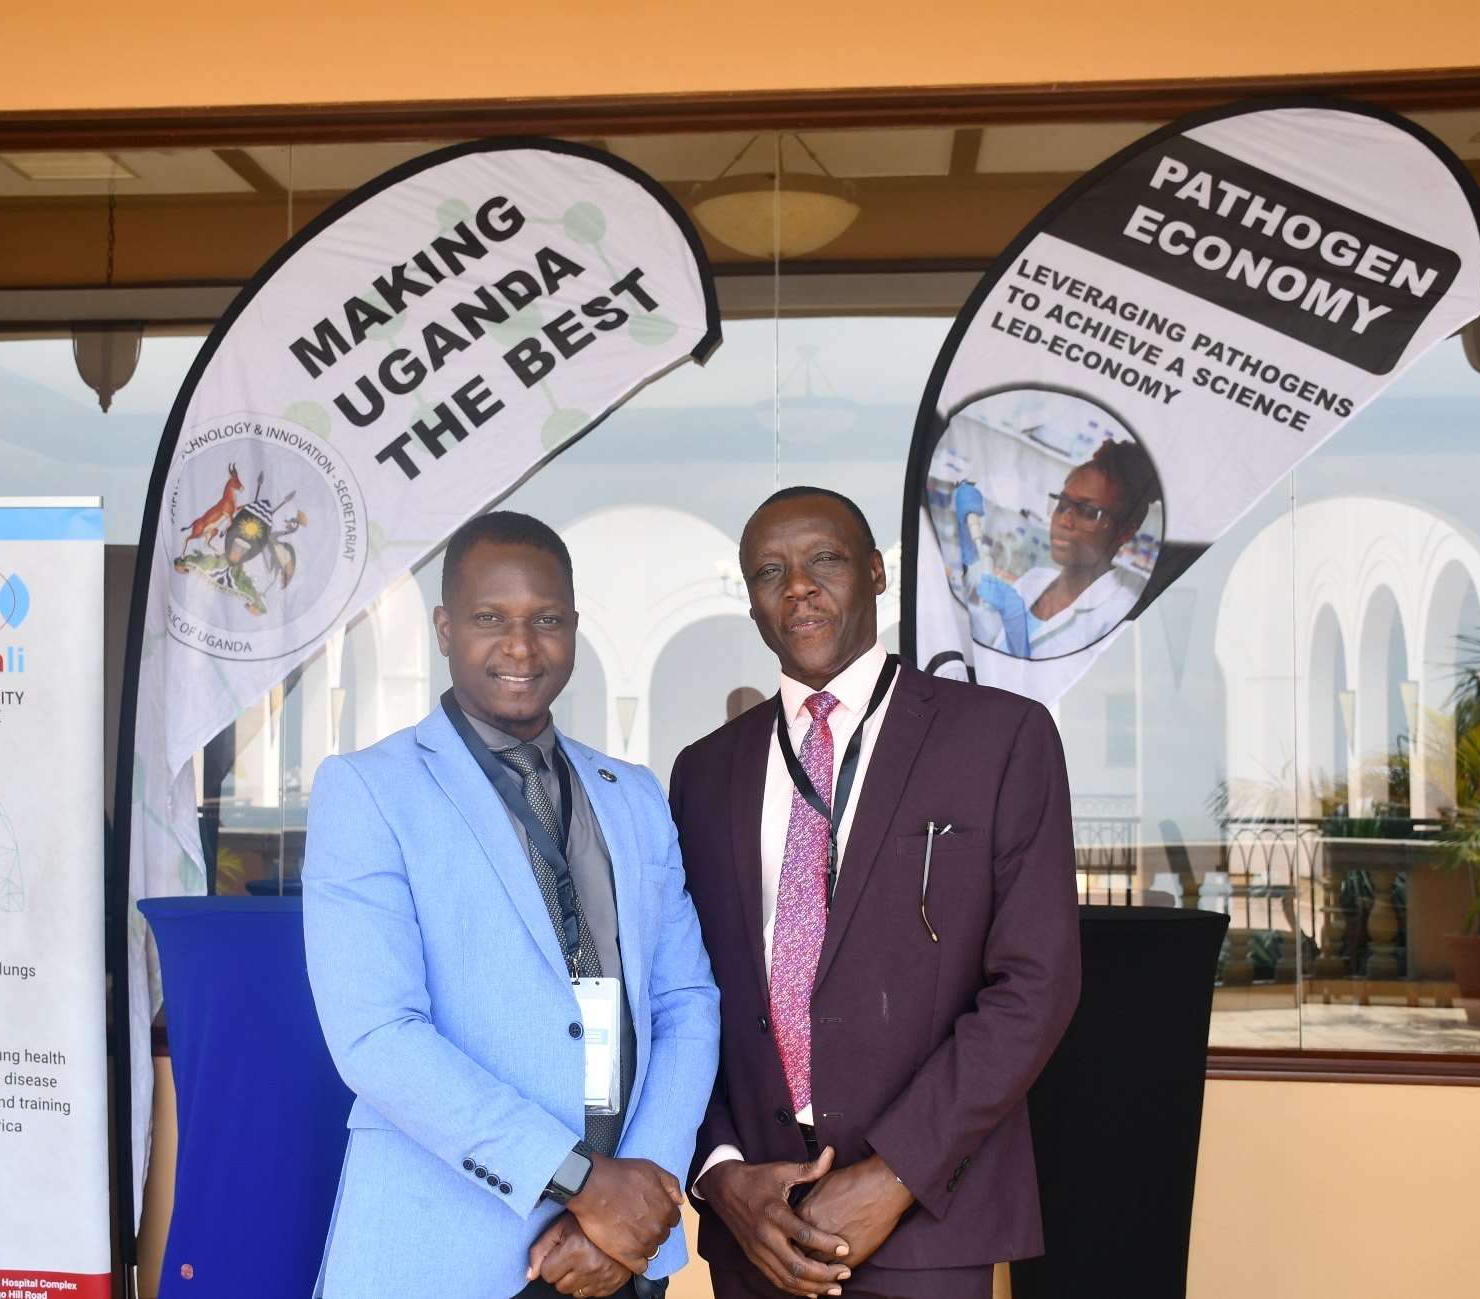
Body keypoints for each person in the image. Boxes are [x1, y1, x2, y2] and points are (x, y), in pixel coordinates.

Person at [670, 487, 1079, 1299]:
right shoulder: (704, 770)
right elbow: (680, 992)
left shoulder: (999, 737)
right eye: (768, 572)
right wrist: (720, 1172)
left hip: (925, 1218)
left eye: (823, 559)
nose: (797, 586)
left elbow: (1035, 985)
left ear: (876, 573)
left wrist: (892, 1176)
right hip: (756, 1228)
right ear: (750, 602)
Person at [303, 510, 721, 1299]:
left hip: (618, 1256)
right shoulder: (367, 791)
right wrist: (580, 1181)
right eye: (490, 617)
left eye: (546, 620)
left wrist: (635, 1198)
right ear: (444, 629)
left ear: (573, 629)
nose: (522, 646)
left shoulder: (632, 794)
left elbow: (686, 1002)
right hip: (443, 1252)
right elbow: (377, 1037)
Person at [972, 438, 1159, 660]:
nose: (1064, 521)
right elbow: (989, 652)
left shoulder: (1121, 614)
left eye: (1088, 512)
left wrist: (1016, 629)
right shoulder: (1035, 580)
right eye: (1062, 505)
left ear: (1125, 531)